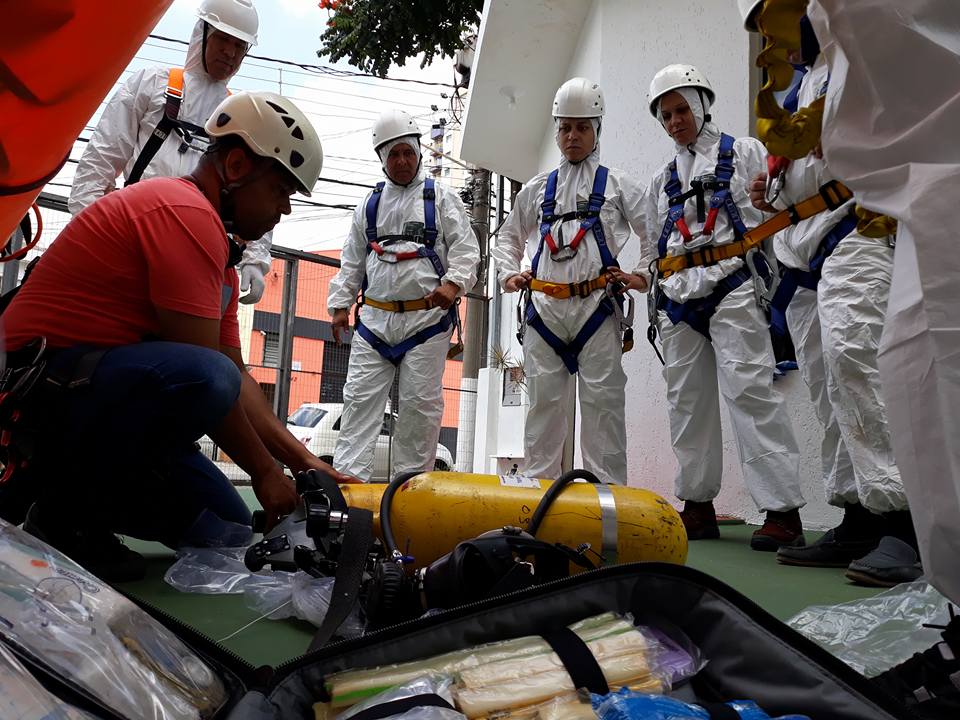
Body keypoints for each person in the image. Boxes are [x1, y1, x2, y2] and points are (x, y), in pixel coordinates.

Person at [0, 91, 353, 582]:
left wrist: (305, 463)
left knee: (225, 527)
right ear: (235, 165)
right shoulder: (181, 212)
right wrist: (265, 472)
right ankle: (64, 514)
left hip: (88, 394)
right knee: (202, 375)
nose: (285, 210)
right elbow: (207, 373)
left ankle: (75, 501)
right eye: (280, 190)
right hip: (34, 400)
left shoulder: (222, 265)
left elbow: (238, 376)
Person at [739, 2, 919, 586]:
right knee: (827, 382)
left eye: (781, 24)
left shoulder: (857, 57)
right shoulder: (805, 85)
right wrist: (776, 186)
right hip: (805, 246)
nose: (777, 41)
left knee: (857, 360)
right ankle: (862, 514)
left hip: (858, 226)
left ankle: (910, 525)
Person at [640, 64, 806, 549]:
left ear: (701, 104)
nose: (675, 120)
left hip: (734, 284)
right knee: (686, 405)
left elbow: (771, 209)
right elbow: (653, 246)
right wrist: (657, 287)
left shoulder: (747, 152)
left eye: (681, 109)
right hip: (678, 299)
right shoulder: (661, 180)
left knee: (752, 392)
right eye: (666, 114)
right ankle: (697, 506)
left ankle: (782, 511)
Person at [493, 77, 647, 486]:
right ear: (556, 130)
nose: (573, 136)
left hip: (597, 313)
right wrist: (510, 273)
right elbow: (506, 238)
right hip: (545, 314)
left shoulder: (618, 186)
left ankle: (606, 501)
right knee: (542, 411)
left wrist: (641, 275)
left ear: (598, 129)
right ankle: (539, 499)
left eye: (582, 127)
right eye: (565, 127)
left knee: (604, 410)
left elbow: (657, 231)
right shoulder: (537, 190)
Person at [68, 0, 272, 305]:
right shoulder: (150, 84)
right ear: (201, 33)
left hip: (200, 255)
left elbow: (254, 194)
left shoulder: (240, 117)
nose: (230, 52)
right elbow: (100, 161)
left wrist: (255, 259)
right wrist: (89, 233)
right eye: (223, 39)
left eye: (240, 45)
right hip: (133, 240)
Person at [327, 110, 478, 482]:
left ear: (419, 152)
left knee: (418, 413)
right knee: (359, 405)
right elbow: (352, 260)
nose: (402, 161)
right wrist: (339, 306)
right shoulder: (369, 207)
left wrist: (453, 284)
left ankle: (409, 499)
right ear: (382, 158)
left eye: (408, 152)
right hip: (374, 326)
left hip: (425, 327)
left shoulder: (441, 200)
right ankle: (347, 500)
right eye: (393, 154)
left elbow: (466, 250)